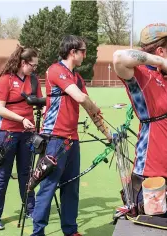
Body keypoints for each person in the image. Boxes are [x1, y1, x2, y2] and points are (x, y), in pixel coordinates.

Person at [31, 35, 112, 236]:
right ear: (72, 51)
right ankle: (37, 232)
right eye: (83, 51)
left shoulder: (77, 78)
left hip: (71, 140)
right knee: (48, 187)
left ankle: (70, 229)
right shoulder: (56, 70)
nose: (85, 55)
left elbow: (90, 108)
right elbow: (81, 98)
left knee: (71, 188)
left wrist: (108, 134)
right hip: (55, 139)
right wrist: (93, 106)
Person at [113, 23, 167, 215]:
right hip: (153, 165)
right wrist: (161, 62)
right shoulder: (141, 74)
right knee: (154, 223)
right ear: (161, 51)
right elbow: (119, 57)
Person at [0, 45, 43, 230]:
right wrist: (21, 119)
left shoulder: (34, 80)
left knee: (27, 174)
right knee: (1, 175)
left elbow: (41, 105)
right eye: (32, 65)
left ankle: (30, 209)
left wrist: (41, 119)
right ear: (22, 62)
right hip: (7, 133)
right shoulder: (6, 79)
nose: (35, 69)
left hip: (27, 135)